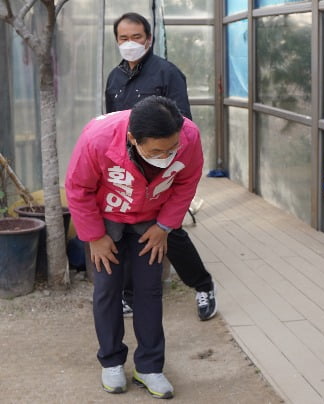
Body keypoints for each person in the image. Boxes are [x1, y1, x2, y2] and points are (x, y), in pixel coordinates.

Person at [66, 96, 202, 398]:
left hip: (150, 220)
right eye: (157, 151)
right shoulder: (97, 138)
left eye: (172, 150)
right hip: (106, 218)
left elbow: (187, 182)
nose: (166, 157)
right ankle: (112, 361)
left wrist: (165, 226)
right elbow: (78, 188)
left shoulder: (189, 136)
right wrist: (95, 237)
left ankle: (150, 366)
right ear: (133, 139)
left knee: (150, 290)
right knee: (107, 288)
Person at [105, 12, 216, 321]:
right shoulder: (114, 78)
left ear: (149, 39)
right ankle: (129, 295)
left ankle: (203, 285)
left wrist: (167, 159)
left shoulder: (167, 73)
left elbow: (184, 123)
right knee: (129, 230)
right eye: (123, 38)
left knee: (171, 231)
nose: (130, 44)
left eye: (136, 37)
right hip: (128, 168)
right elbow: (110, 125)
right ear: (117, 41)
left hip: (162, 165)